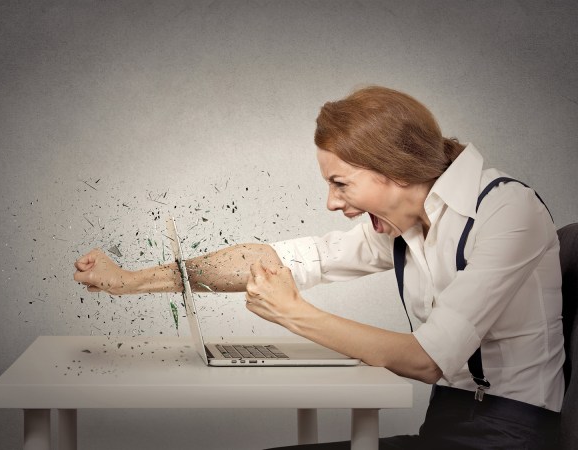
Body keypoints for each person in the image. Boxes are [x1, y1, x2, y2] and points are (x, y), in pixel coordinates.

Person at [74, 86, 564, 449]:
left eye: (340, 183)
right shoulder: (399, 224)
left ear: (392, 170)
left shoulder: (507, 212)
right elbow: (276, 260)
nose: (331, 202)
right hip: (445, 426)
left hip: (511, 434)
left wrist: (292, 314)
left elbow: (428, 360)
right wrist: (132, 280)